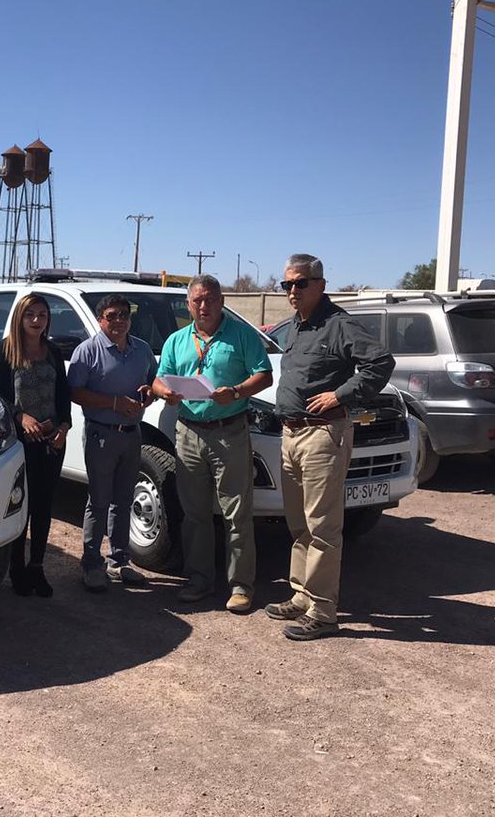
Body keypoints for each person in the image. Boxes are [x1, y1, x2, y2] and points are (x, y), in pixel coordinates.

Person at [269, 254, 394, 641]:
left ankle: (323, 612)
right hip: (290, 435)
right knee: (299, 524)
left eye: (300, 283)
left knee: (323, 527)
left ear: (320, 284)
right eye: (286, 284)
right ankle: (302, 594)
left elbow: (380, 363)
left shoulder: (339, 325)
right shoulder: (294, 328)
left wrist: (340, 395)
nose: (292, 291)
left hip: (323, 435)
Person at [151, 275, 273, 610]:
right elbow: (160, 379)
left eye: (210, 299)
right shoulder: (177, 340)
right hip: (188, 432)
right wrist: (166, 393)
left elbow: (264, 374)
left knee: (237, 512)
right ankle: (199, 579)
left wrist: (236, 392)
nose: (204, 306)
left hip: (229, 431)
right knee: (195, 514)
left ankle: (240, 586)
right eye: (197, 300)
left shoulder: (241, 334)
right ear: (188, 304)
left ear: (221, 301)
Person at [67, 294, 157, 592]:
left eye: (124, 315)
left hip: (132, 435)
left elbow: (154, 382)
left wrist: (149, 393)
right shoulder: (88, 351)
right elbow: (75, 392)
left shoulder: (142, 349)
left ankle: (119, 561)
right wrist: (115, 402)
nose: (119, 320)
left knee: (123, 500)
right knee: (99, 501)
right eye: (112, 315)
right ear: (100, 319)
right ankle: (91, 564)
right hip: (101, 434)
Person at [0, 293, 72, 598]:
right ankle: (16, 568)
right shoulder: (3, 352)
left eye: (42, 315)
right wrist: (20, 417)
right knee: (19, 505)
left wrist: (63, 426)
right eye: (30, 315)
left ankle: (37, 567)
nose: (37, 321)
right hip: (18, 444)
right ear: (19, 317)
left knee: (43, 506)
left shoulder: (53, 352)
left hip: (50, 442)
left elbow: (63, 394)